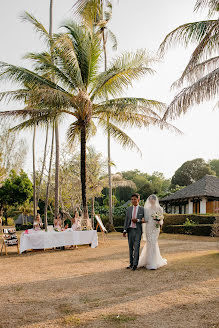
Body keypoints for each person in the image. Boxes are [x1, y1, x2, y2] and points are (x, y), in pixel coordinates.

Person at [138, 194, 167, 270]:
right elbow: (146, 219)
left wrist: (159, 220)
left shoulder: (160, 208)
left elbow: (161, 219)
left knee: (153, 243)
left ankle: (154, 262)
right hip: (148, 227)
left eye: (152, 199)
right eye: (150, 199)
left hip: (155, 228)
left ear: (155, 200)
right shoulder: (147, 209)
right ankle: (147, 260)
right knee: (149, 243)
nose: (151, 200)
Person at [123, 193, 145, 271]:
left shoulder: (142, 209)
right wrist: (125, 230)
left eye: (135, 199)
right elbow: (126, 220)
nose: (133, 201)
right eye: (132, 199)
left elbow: (145, 219)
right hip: (130, 230)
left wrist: (138, 220)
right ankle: (131, 263)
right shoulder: (128, 209)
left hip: (138, 231)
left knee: (136, 247)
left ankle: (135, 264)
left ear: (138, 200)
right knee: (130, 247)